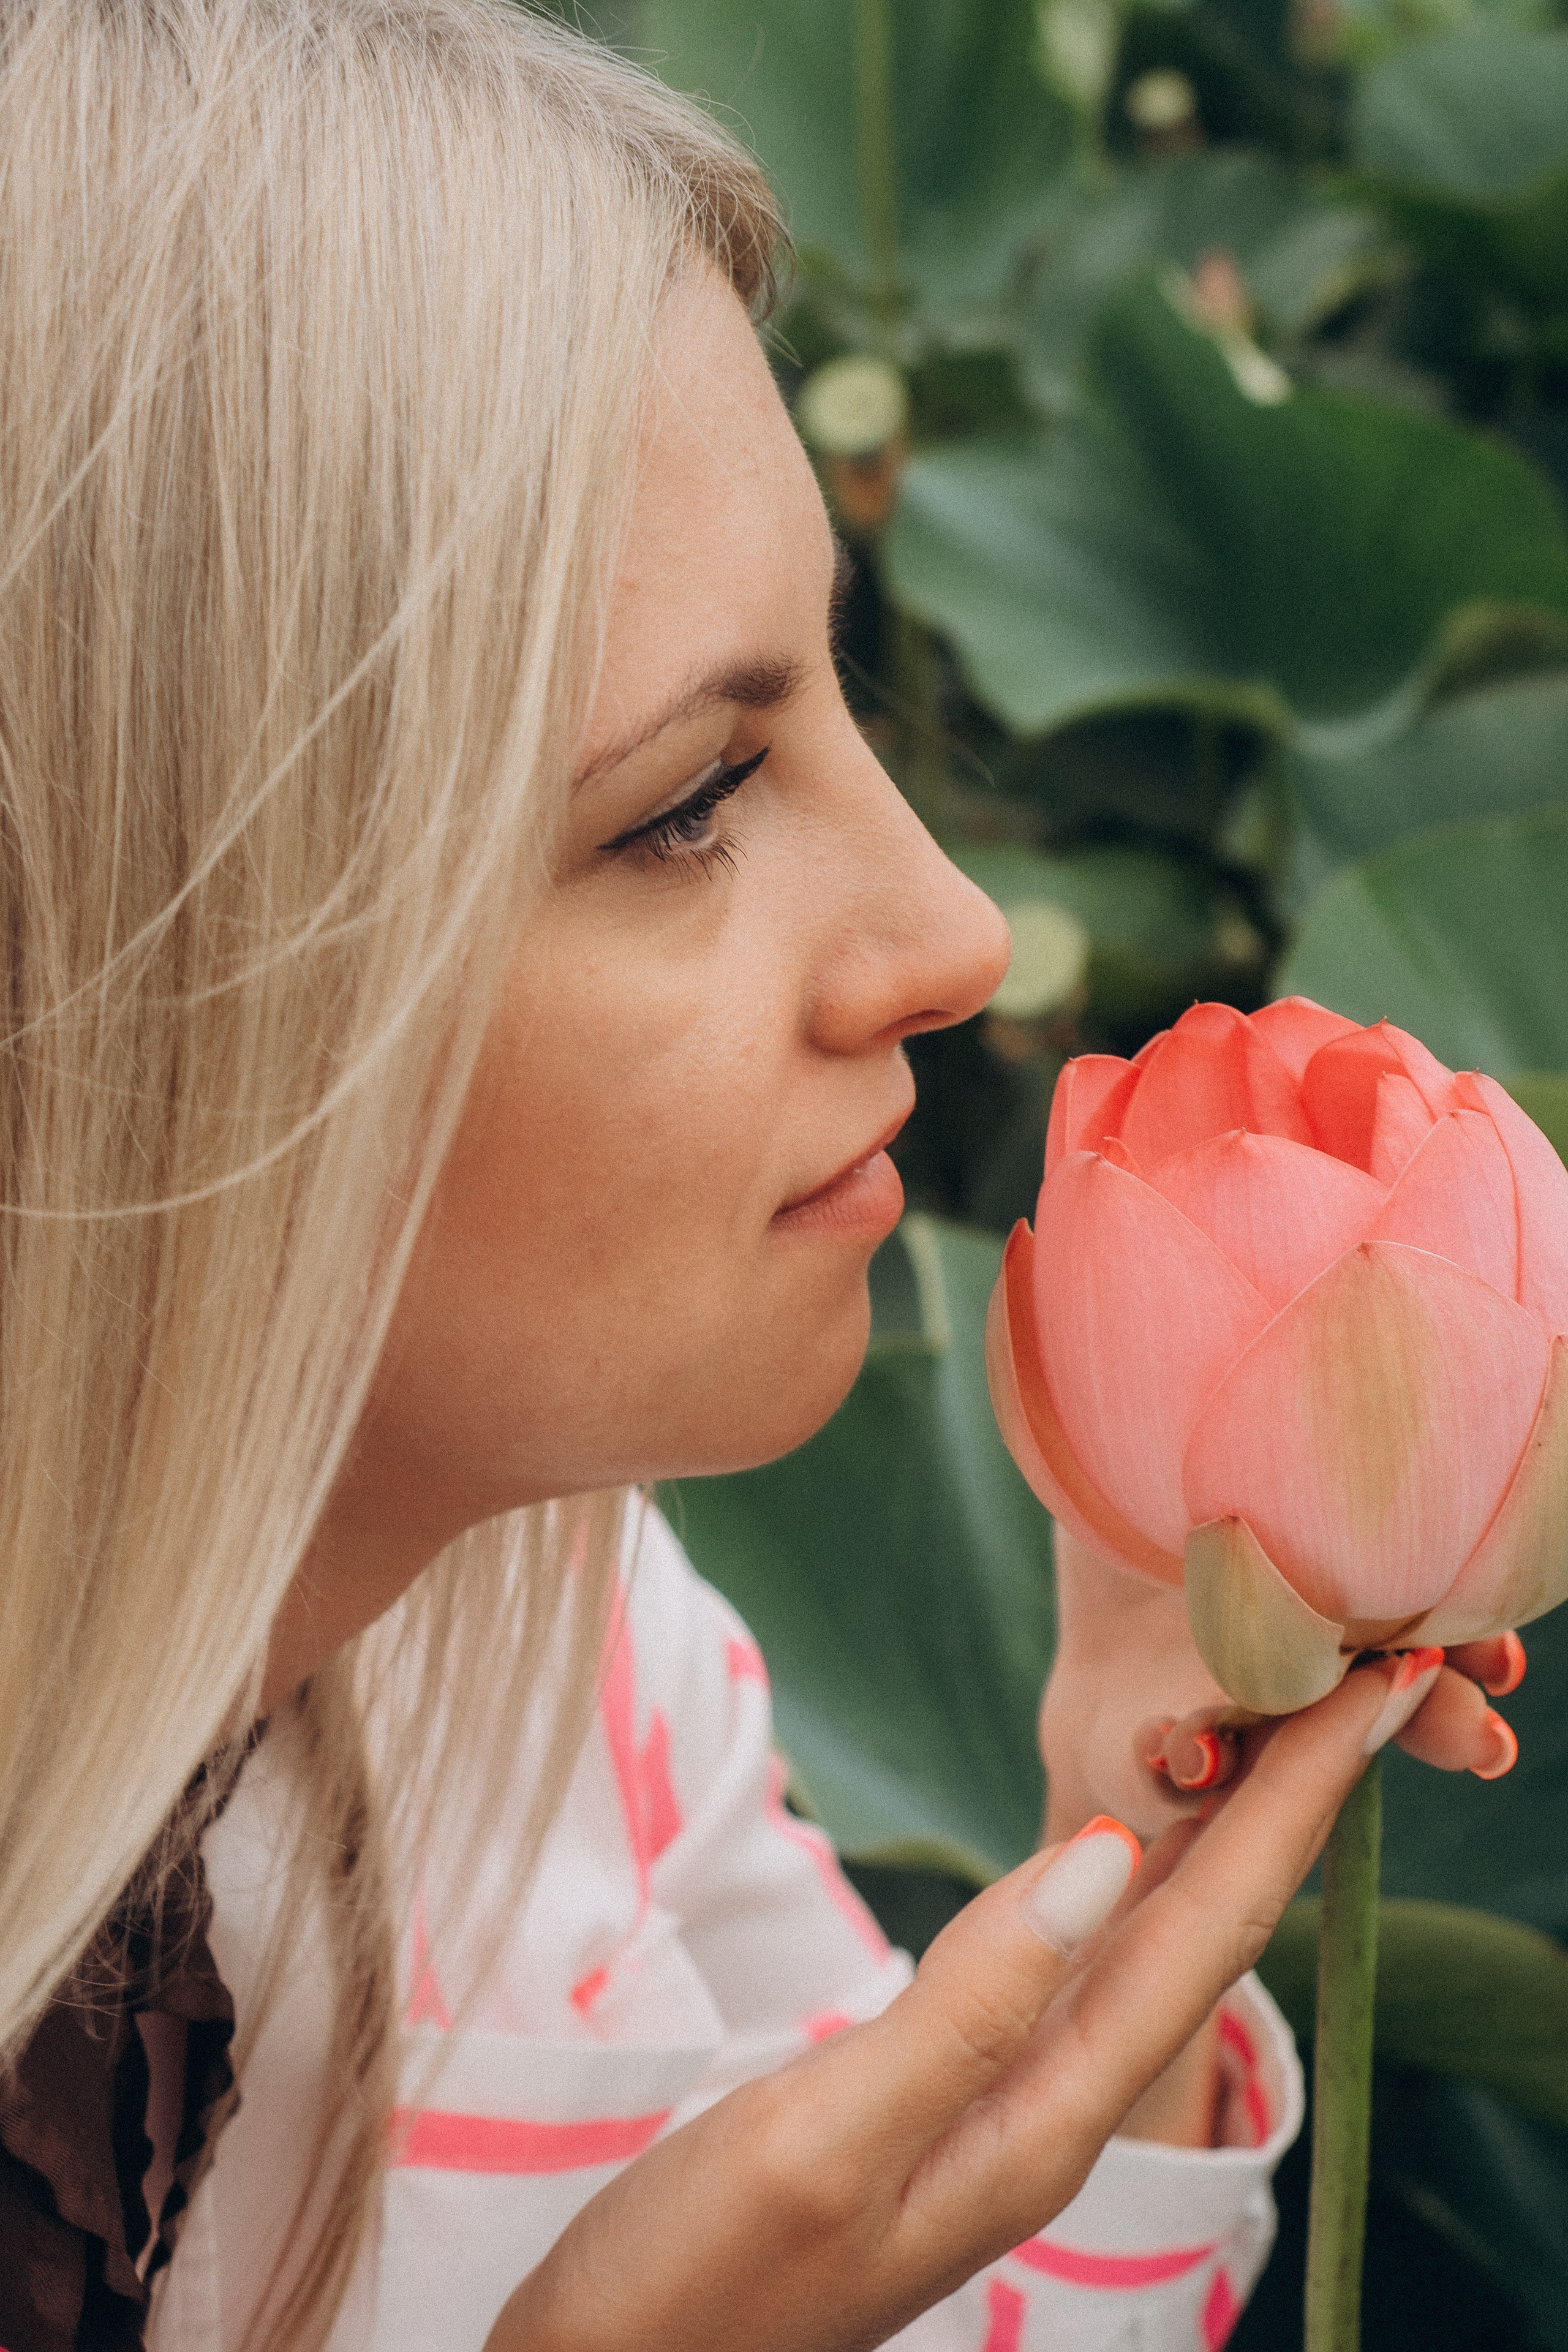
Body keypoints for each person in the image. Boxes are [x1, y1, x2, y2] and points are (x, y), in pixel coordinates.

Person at [0, 2, 1517, 2348]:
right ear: (139, 981)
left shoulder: (598, 1665)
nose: (962, 937)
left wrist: (1125, 1914)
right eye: (687, 803)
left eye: (841, 693)